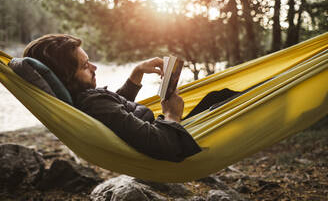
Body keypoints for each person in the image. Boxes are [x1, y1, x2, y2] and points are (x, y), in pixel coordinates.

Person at [22, 34, 201, 162]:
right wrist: (172, 114)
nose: (94, 67)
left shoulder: (90, 102)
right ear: (66, 77)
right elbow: (162, 144)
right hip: (178, 137)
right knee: (222, 96)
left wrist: (136, 74)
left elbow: (116, 114)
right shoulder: (93, 104)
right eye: (85, 66)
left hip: (167, 129)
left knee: (220, 95)